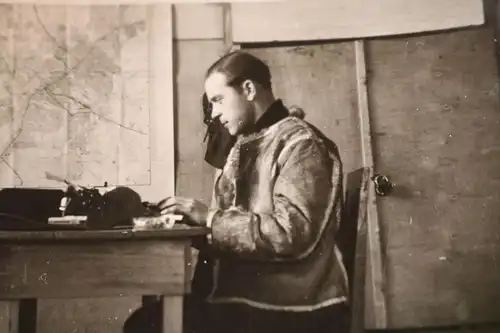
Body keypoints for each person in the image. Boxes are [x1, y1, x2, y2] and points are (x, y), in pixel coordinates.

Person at [123, 51, 349, 333]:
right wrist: (189, 226)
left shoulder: (302, 143)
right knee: (147, 320)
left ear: (249, 89)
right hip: (252, 295)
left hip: (292, 306)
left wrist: (209, 219)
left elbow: (292, 234)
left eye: (218, 100)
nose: (214, 113)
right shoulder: (245, 144)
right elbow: (235, 232)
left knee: (147, 325)